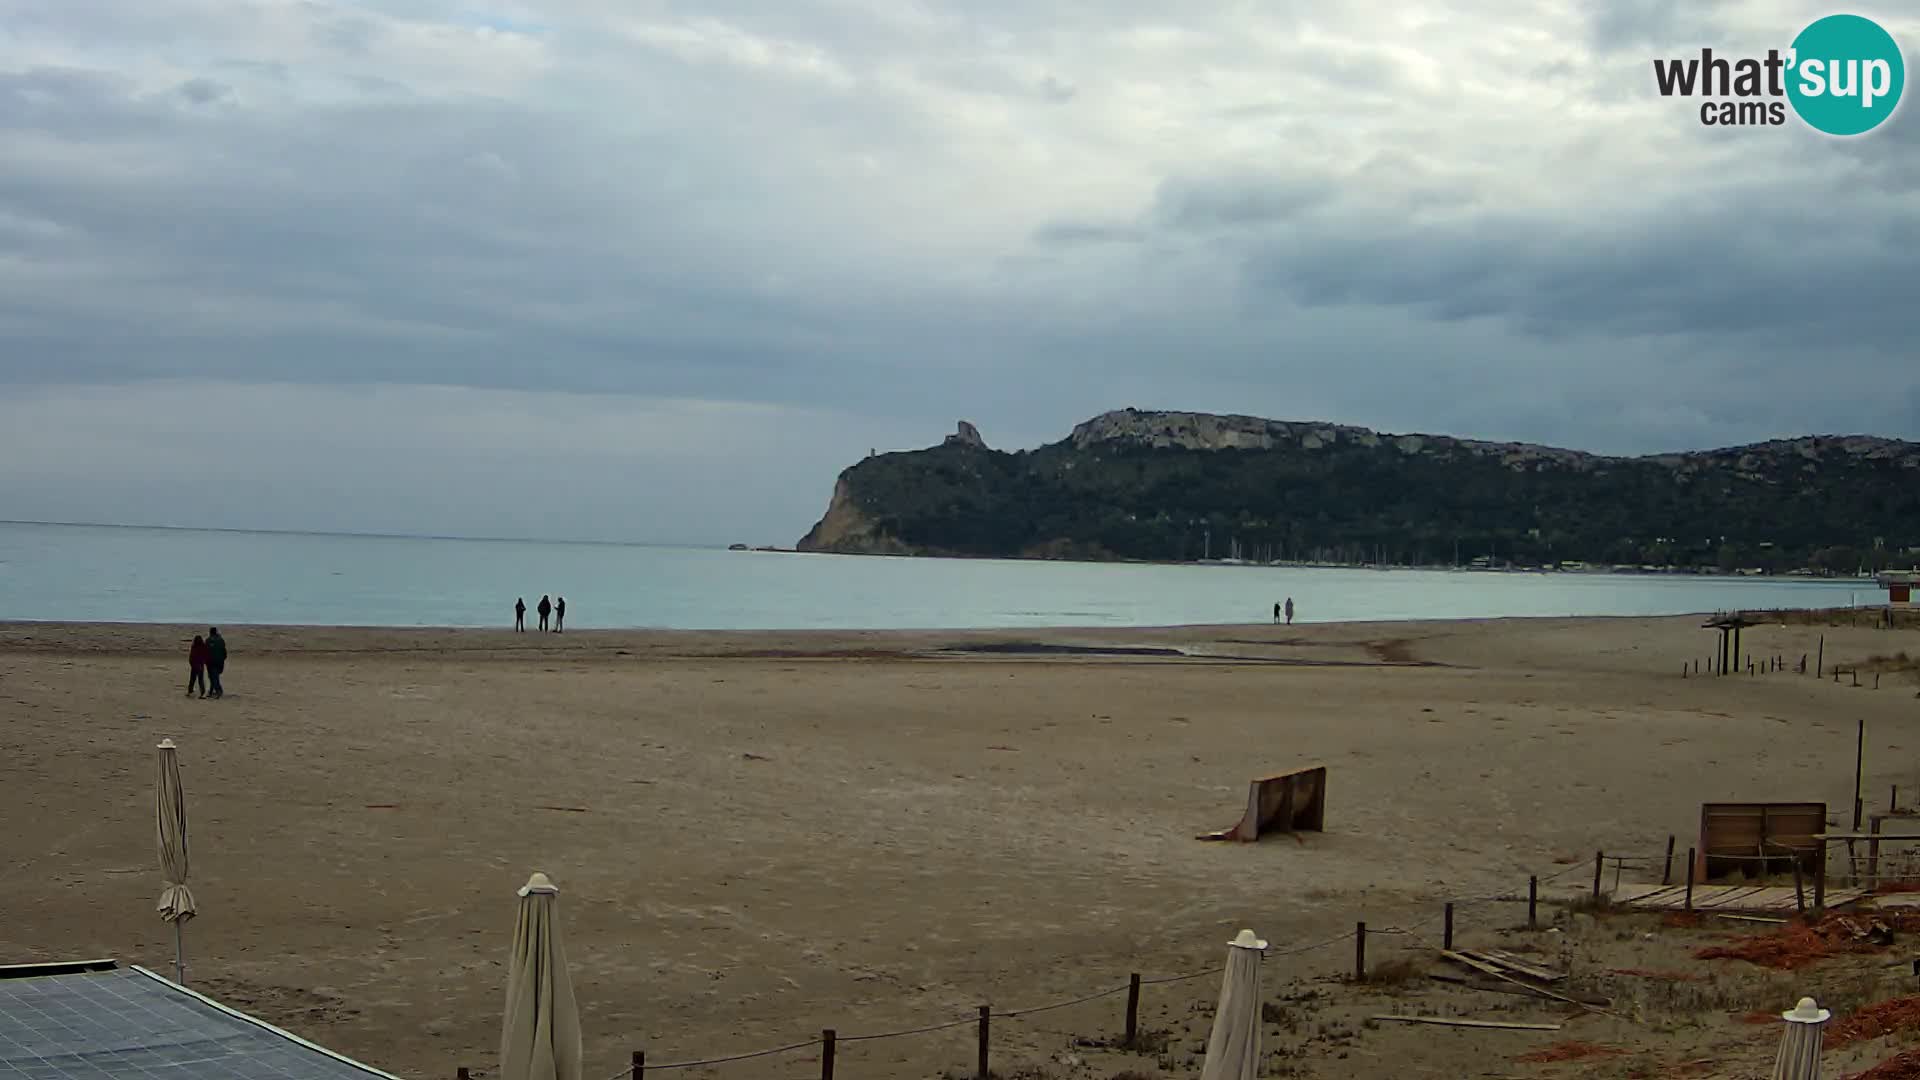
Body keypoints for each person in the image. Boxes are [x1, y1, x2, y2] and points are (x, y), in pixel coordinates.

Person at [205, 627, 228, 699]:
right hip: (219, 661)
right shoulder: (221, 640)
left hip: (211, 661)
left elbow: (206, 651)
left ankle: (218, 691)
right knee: (214, 676)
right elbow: (224, 652)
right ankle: (212, 691)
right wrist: (223, 659)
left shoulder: (208, 640)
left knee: (213, 677)